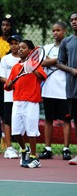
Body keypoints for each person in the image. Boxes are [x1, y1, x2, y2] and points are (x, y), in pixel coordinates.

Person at [5, 40, 47, 168]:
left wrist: (32, 69)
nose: (20, 49)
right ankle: (24, 149)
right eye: (19, 47)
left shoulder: (35, 64)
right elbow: (7, 86)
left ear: (31, 51)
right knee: (16, 132)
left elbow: (42, 77)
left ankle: (34, 158)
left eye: (24, 47)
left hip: (31, 103)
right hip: (17, 102)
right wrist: (9, 84)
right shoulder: (15, 67)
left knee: (31, 131)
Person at [40, 22, 72, 160]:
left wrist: (51, 61)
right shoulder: (46, 47)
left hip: (64, 89)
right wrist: (59, 61)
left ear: (64, 31)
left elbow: (69, 62)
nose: (55, 33)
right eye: (53, 30)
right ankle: (48, 148)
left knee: (66, 120)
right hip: (48, 89)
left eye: (58, 30)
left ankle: (66, 148)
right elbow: (41, 62)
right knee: (48, 119)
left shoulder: (69, 47)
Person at [58, 13, 77, 165]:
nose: (74, 22)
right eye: (71, 20)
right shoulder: (67, 42)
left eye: (76, 19)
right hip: (72, 89)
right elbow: (59, 63)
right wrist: (71, 70)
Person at [0, 34, 21, 159]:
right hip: (9, 96)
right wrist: (9, 81)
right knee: (8, 121)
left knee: (22, 122)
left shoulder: (26, 60)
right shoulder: (5, 59)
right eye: (11, 43)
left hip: (22, 96)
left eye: (16, 43)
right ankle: (9, 148)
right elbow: (1, 77)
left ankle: (23, 148)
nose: (14, 46)